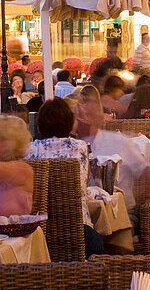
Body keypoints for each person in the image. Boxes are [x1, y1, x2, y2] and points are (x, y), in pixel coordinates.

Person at [25, 98, 105, 257]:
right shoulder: (80, 147)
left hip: (39, 232)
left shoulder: (30, 150)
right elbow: (84, 181)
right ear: (68, 121)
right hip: (78, 229)